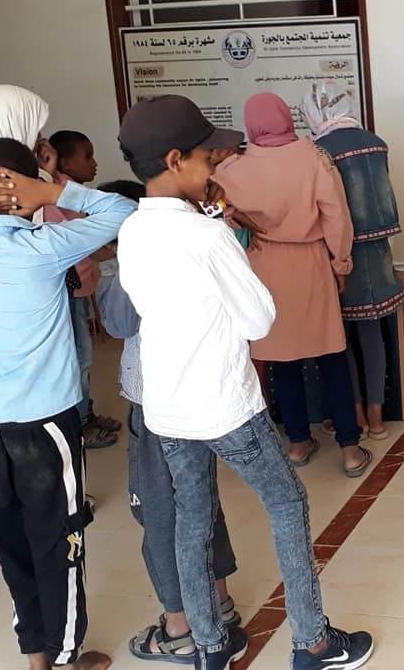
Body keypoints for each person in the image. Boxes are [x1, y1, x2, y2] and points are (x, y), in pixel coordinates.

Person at [115, 95, 374, 669]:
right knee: (286, 502)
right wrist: (218, 234)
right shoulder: (206, 236)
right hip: (226, 404)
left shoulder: (132, 230)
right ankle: (313, 642)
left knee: (192, 520)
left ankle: (210, 647)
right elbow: (259, 320)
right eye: (206, 155)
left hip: (167, 407)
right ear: (176, 160)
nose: (215, 165)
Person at [0, 137, 136, 670]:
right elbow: (124, 210)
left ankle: (36, 656)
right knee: (59, 541)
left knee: (10, 545)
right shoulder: (41, 247)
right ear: (22, 189)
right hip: (43, 425)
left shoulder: (40, 244)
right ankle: (65, 658)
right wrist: (55, 189)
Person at [93, 179, 243, 663]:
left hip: (156, 402)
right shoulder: (198, 235)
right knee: (199, 499)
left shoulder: (136, 256)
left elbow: (119, 323)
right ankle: (219, 604)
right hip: (199, 396)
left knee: (157, 511)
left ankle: (180, 627)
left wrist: (112, 270)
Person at [214, 92, 373, 477]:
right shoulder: (314, 157)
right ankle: (350, 450)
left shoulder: (232, 168)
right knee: (332, 356)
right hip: (311, 264)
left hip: (262, 267)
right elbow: (337, 216)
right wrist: (341, 263)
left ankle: (299, 442)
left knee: (282, 359)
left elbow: (213, 208)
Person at [303, 80, 404, 439]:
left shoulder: (318, 150)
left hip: (339, 254)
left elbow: (325, 209)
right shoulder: (377, 143)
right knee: (372, 333)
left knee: (340, 339)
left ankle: (356, 414)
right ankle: (378, 418)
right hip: (378, 252)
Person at [43, 130, 122, 448]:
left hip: (80, 286)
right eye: (87, 156)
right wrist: (106, 251)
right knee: (79, 358)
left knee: (82, 356)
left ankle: (85, 414)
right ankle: (79, 425)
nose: (94, 163)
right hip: (68, 290)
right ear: (64, 162)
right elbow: (72, 240)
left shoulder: (68, 191)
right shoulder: (53, 195)